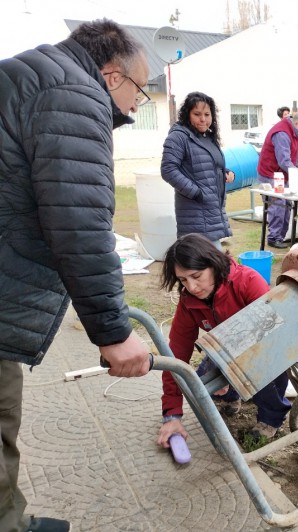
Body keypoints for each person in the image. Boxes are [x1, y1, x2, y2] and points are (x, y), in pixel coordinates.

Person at [0, 19, 153, 532]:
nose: (139, 104)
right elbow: (79, 220)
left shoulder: (31, 74)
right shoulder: (73, 93)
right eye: (140, 89)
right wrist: (112, 331)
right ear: (112, 77)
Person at [157, 233, 292, 446]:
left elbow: (273, 340)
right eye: (183, 280)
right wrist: (172, 414)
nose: (191, 287)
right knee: (201, 381)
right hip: (223, 349)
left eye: (197, 275)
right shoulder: (188, 301)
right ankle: (231, 397)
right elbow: (176, 356)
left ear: (213, 264)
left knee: (260, 376)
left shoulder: (248, 281)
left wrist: (230, 371)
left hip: (262, 351)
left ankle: (271, 417)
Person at [161, 92, 235, 249]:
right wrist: (196, 192)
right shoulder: (179, 137)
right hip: (194, 211)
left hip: (212, 209)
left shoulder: (207, 137)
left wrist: (226, 172)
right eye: (197, 114)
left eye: (207, 114)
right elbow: (168, 169)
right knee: (212, 260)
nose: (203, 119)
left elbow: (212, 165)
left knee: (209, 263)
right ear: (187, 114)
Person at [256, 112, 298, 249]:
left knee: (288, 203)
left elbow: (296, 158)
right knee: (278, 204)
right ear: (296, 124)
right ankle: (273, 237)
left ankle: (281, 237)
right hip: (270, 174)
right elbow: (284, 161)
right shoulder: (282, 133)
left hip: (283, 174)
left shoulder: (295, 134)